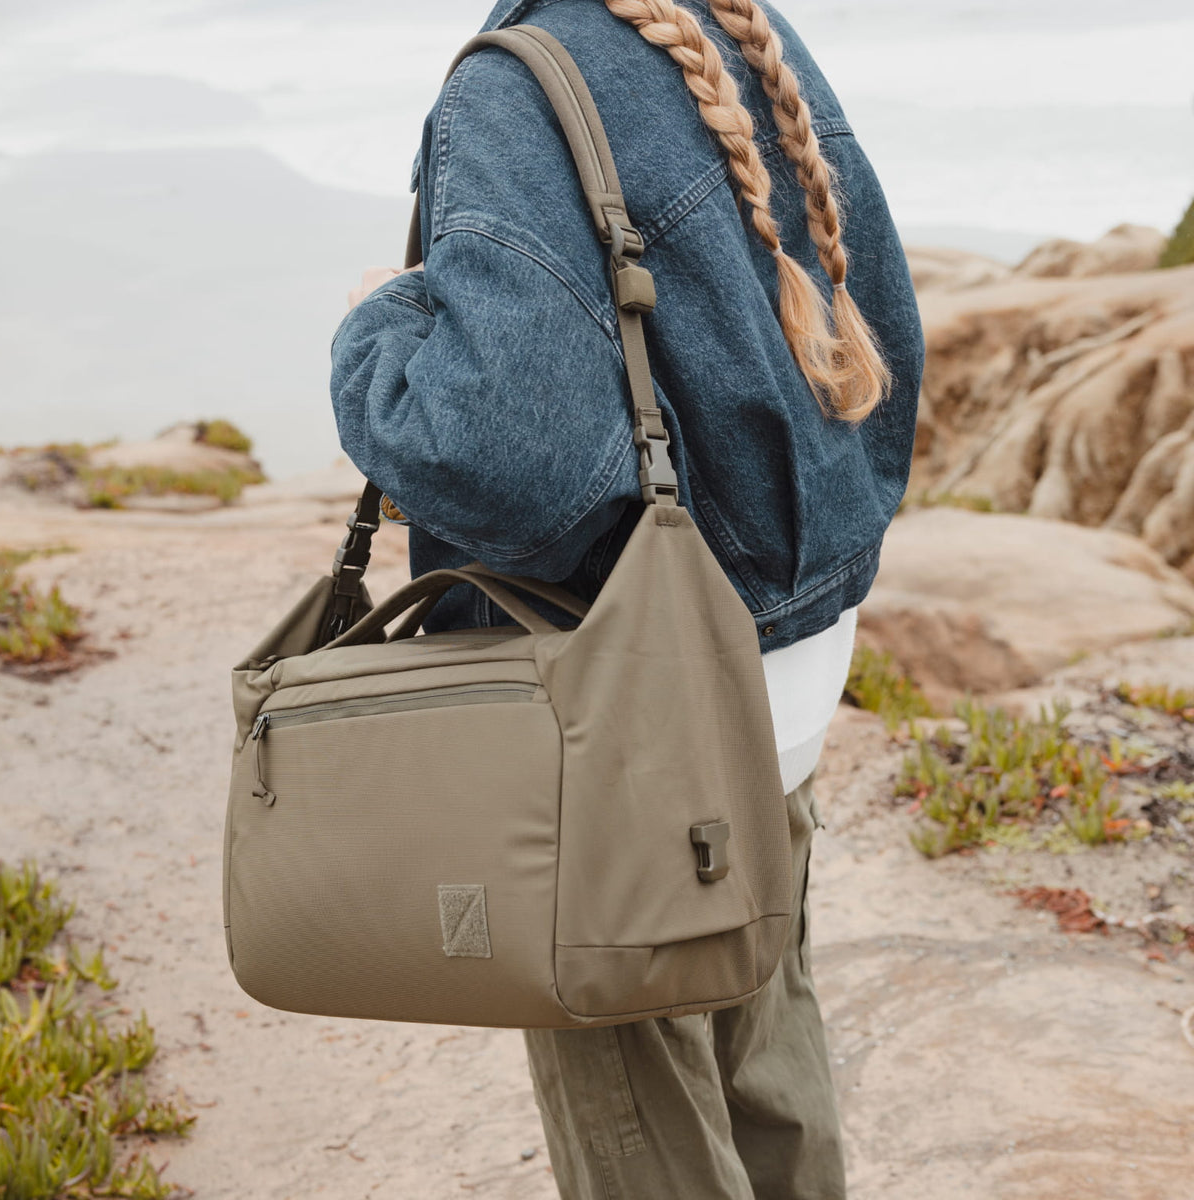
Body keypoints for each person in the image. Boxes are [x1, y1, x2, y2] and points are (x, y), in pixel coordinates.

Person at [330, 0, 924, 1194]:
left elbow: (499, 454)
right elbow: (882, 344)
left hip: (629, 699)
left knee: (636, 1104)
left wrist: (376, 325)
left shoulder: (512, 87)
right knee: (762, 1030)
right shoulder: (732, 26)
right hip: (779, 659)